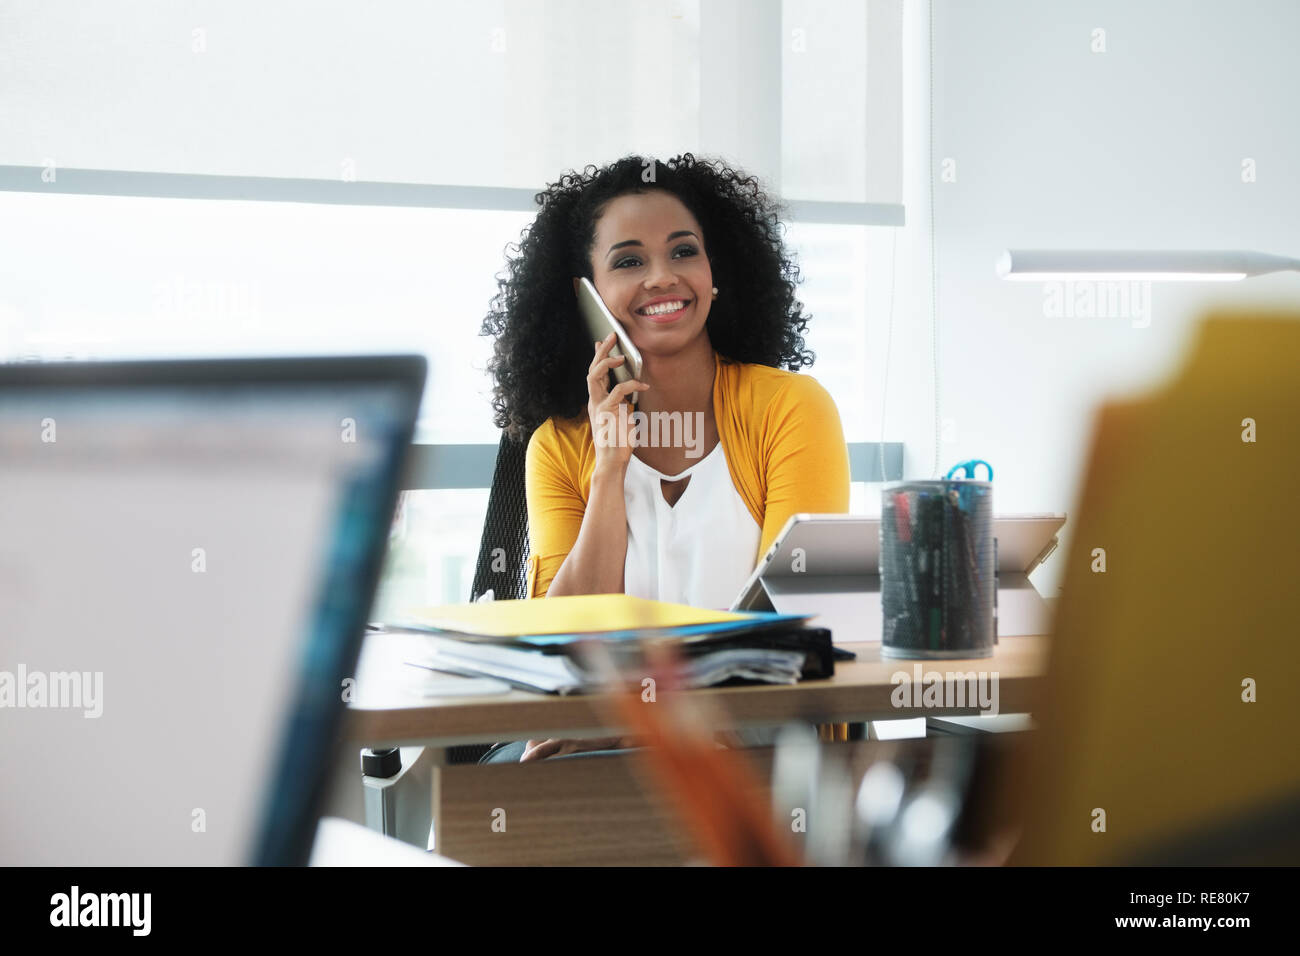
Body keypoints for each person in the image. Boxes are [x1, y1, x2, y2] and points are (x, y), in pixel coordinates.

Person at [479, 153, 850, 762]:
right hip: (601, 734)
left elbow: (790, 635)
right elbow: (563, 644)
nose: (663, 277)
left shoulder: (790, 408)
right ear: (587, 296)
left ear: (715, 271)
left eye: (684, 252)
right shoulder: (559, 444)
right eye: (629, 261)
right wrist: (609, 469)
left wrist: (641, 727)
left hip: (760, 730)